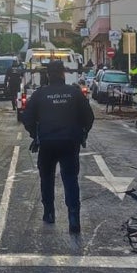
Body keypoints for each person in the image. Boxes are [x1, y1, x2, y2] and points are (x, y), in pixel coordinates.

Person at [21, 59, 94, 233]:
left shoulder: (40, 94)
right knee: (70, 179)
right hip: (70, 142)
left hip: (46, 143)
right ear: (63, 74)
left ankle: (49, 213)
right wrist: (82, 134)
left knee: (46, 178)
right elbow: (89, 117)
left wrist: (35, 134)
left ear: (47, 75)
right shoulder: (74, 93)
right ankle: (74, 217)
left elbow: (27, 118)